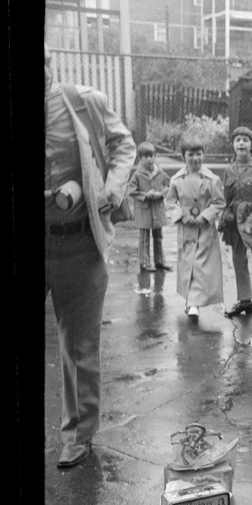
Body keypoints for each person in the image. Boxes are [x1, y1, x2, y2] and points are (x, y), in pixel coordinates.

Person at [44, 42, 136, 468]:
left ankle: (78, 434)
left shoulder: (82, 102)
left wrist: (112, 188)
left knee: (79, 346)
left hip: (78, 243)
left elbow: (123, 145)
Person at [165, 136, 225, 323]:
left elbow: (219, 202)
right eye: (191, 154)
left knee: (200, 266)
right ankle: (191, 301)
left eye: (199, 154)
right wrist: (181, 215)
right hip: (186, 229)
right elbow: (170, 201)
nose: (195, 158)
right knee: (187, 264)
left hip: (204, 229)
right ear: (183, 156)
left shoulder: (211, 179)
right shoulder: (176, 179)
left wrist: (204, 216)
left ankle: (194, 304)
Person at [220, 126, 252, 317]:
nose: (241, 143)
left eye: (245, 140)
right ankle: (245, 300)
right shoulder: (229, 170)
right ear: (232, 145)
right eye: (237, 140)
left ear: (251, 146)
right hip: (235, 222)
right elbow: (226, 197)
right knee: (238, 259)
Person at [128, 140, 172, 273]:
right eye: (146, 156)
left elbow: (169, 186)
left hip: (157, 210)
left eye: (152, 156)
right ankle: (144, 262)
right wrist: (145, 195)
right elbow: (131, 191)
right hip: (144, 211)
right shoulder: (137, 175)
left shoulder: (161, 173)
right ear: (140, 158)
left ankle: (160, 261)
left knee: (158, 236)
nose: (150, 159)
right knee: (144, 237)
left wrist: (161, 194)